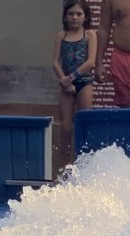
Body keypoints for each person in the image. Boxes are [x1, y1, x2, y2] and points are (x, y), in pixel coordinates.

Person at [53, 1, 97, 164]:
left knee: (84, 122)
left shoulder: (89, 34)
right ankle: (64, 165)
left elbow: (91, 62)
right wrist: (64, 81)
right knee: (65, 127)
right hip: (66, 85)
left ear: (85, 17)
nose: (75, 17)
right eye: (71, 14)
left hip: (84, 82)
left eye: (79, 14)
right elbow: (55, 62)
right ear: (65, 16)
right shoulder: (61, 36)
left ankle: (84, 161)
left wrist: (71, 77)